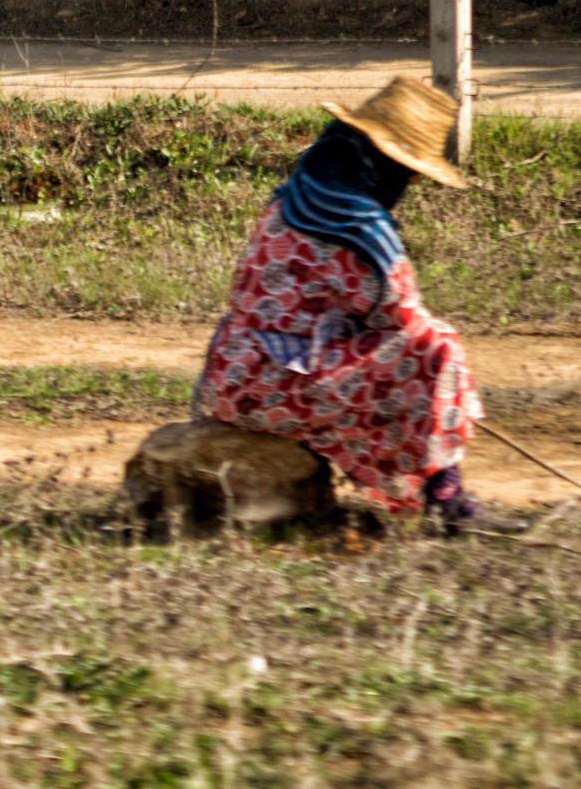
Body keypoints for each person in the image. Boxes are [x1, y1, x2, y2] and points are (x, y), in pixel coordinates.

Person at [191, 75, 525, 534]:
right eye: (407, 173)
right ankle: (446, 500)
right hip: (278, 388)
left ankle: (310, 459)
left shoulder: (292, 197)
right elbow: (402, 317)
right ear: (387, 165)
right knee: (436, 346)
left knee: (351, 348)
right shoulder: (360, 227)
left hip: (231, 375)